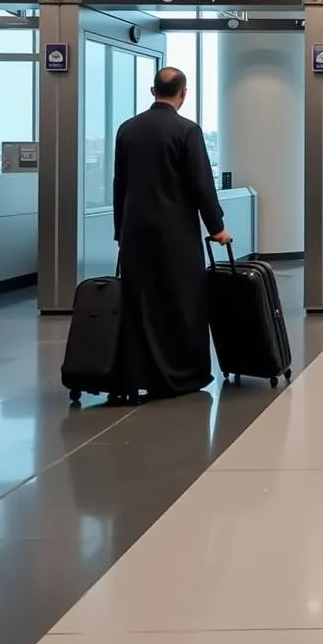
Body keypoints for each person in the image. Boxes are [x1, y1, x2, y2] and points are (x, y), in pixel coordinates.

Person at [113, 67, 230, 399]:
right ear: (183, 93)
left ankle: (139, 372)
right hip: (175, 233)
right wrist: (217, 227)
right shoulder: (187, 131)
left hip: (135, 231)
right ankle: (181, 374)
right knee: (182, 302)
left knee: (140, 301)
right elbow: (201, 186)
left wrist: (120, 229)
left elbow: (119, 184)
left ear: (153, 92)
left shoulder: (128, 130)